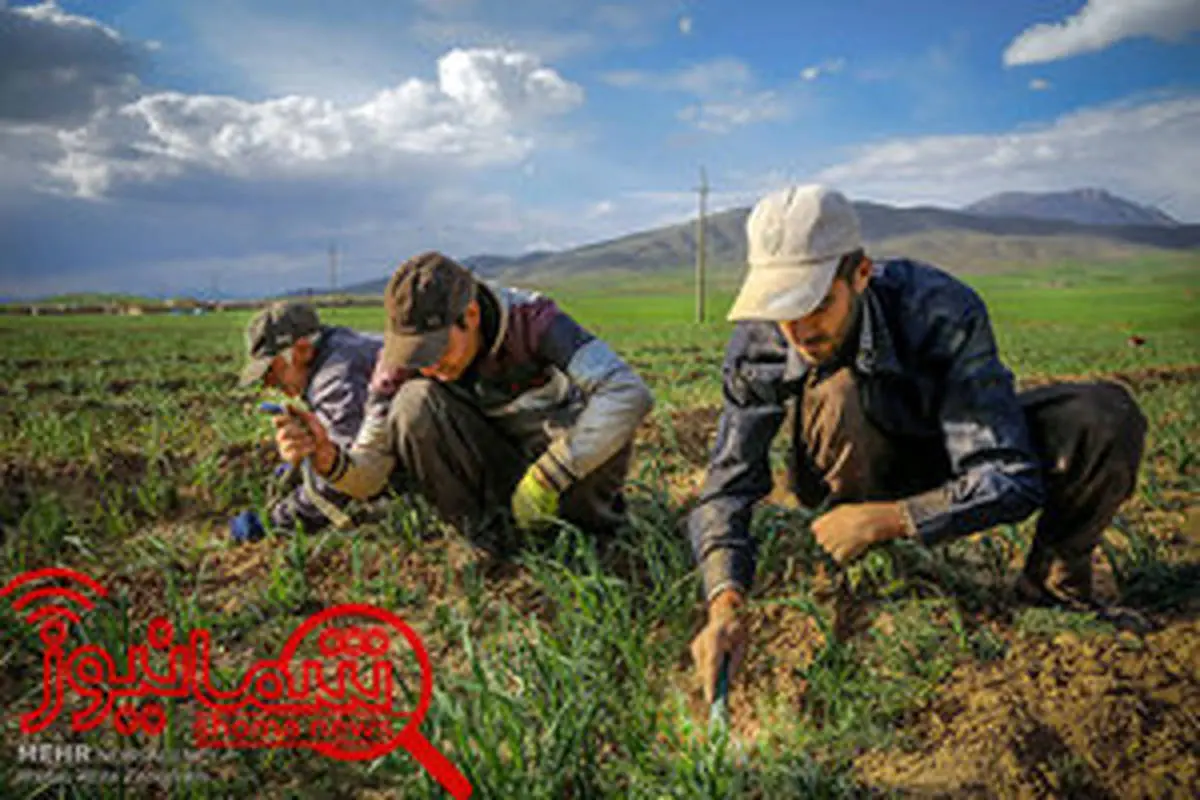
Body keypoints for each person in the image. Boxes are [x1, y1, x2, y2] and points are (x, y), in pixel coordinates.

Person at [687, 184, 1149, 703]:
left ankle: (1053, 587)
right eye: (779, 307)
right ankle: (857, 581)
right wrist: (724, 605)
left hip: (945, 458)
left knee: (1104, 417)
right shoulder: (760, 343)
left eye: (815, 302)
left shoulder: (941, 310)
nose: (797, 329)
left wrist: (891, 519)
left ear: (860, 274)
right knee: (838, 387)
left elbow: (1007, 474)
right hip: (839, 468)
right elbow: (726, 489)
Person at [270, 251, 655, 553]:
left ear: (470, 315)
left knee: (602, 423)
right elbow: (370, 472)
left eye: (438, 348)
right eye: (418, 355)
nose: (432, 365)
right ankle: (488, 543)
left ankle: (590, 539)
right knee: (412, 404)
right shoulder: (397, 365)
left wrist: (549, 474)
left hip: (552, 456)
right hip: (487, 459)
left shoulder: (531, 318)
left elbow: (625, 390)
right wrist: (326, 457)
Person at [232, 301, 385, 539]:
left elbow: (343, 475)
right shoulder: (339, 345)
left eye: (272, 370)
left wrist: (275, 522)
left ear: (302, 350)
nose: (268, 383)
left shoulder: (336, 378)